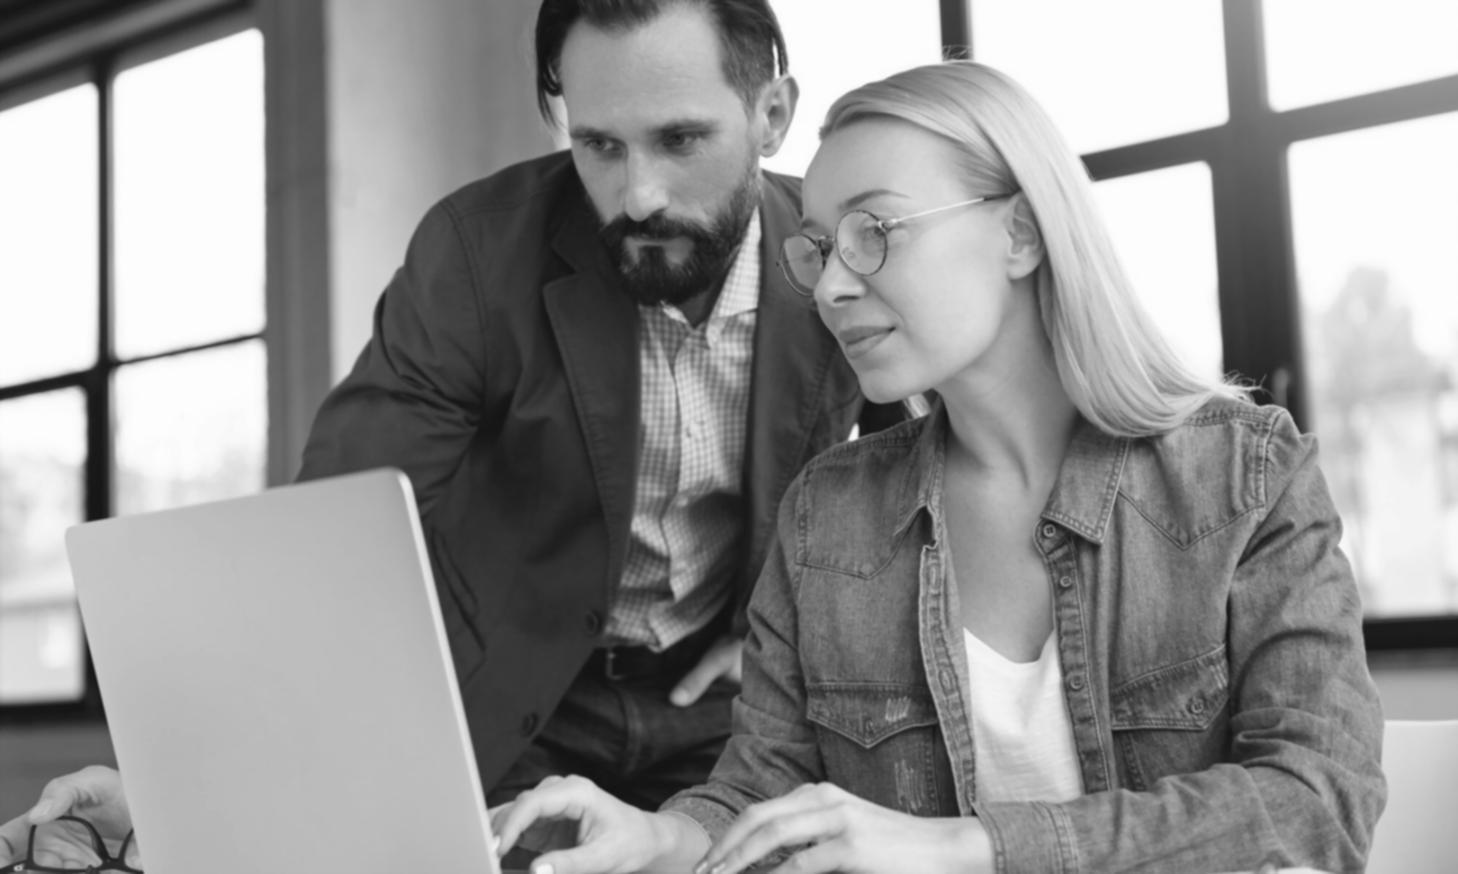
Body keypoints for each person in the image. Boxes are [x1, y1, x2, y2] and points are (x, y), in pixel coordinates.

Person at [0, 0, 901, 868]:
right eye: (599, 145)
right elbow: (331, 538)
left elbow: (908, 483)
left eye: (680, 139)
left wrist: (781, 640)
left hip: (720, 711)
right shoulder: (477, 252)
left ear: (771, 114)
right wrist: (186, 786)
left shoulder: (832, 260)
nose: (638, 196)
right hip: (515, 698)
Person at [482, 60, 1388, 874]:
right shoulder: (826, 513)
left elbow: (1318, 802)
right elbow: (760, 797)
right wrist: (659, 837)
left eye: (875, 230)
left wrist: (966, 848)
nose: (832, 286)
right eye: (820, 248)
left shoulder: (1245, 475)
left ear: (1021, 233)